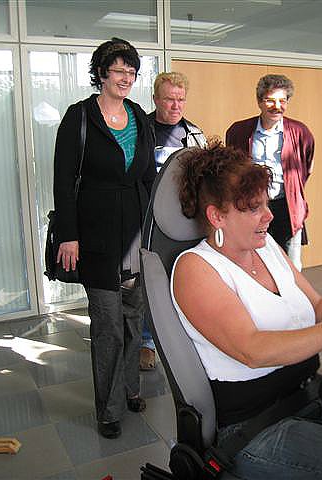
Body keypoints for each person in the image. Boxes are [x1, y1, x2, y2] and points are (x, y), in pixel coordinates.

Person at [170, 142, 322, 480]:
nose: (269, 215)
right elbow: (252, 349)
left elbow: (315, 305)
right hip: (255, 429)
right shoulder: (195, 268)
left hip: (310, 394)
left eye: (266, 203)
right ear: (217, 216)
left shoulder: (266, 246)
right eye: (254, 208)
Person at [53, 38, 156, 439]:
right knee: (108, 326)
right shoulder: (79, 116)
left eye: (132, 72)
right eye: (119, 71)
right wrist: (69, 235)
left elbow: (148, 176)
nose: (126, 78)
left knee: (133, 318)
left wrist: (155, 229)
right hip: (95, 237)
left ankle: (130, 389)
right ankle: (109, 409)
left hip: (135, 236)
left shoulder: (139, 117)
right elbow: (63, 180)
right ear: (100, 73)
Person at [139, 71, 207, 371]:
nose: (176, 105)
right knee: (150, 282)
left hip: (184, 224)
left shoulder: (194, 135)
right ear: (156, 99)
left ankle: (185, 336)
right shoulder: (140, 131)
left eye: (180, 99)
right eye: (169, 99)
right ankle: (147, 342)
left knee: (184, 279)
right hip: (147, 222)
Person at [225, 74, 314, 271]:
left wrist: (293, 190)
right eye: (270, 100)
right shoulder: (238, 131)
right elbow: (231, 168)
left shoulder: (300, 132)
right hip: (252, 206)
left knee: (290, 266)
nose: (277, 106)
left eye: (282, 101)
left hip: (287, 206)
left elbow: (306, 168)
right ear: (259, 101)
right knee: (254, 261)